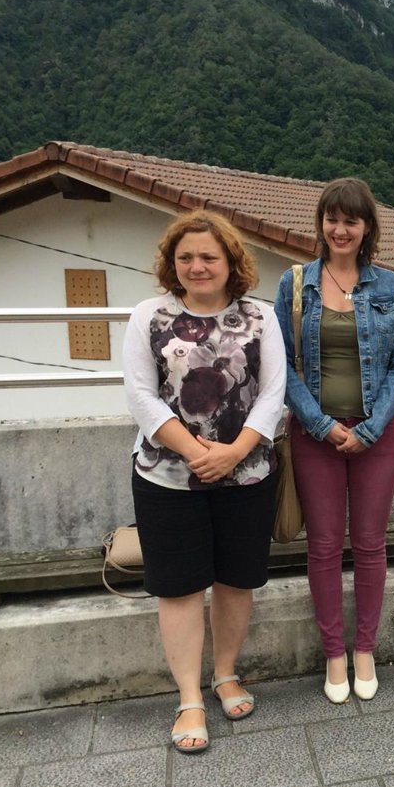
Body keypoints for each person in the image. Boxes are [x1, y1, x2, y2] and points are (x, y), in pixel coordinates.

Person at [124, 210, 286, 753]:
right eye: (186, 257)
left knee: (236, 581)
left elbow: (273, 392)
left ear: (231, 261)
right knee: (179, 587)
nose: (197, 266)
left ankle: (225, 673)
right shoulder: (149, 316)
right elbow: (141, 395)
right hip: (168, 475)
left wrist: (234, 452)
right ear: (171, 263)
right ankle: (190, 697)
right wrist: (197, 453)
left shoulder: (261, 317)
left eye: (209, 257)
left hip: (247, 473)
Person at [274, 178, 394, 705]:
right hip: (317, 434)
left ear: (367, 227)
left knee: (371, 544)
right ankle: (335, 652)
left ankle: (365, 648)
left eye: (351, 220)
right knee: (325, 546)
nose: (341, 229)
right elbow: (282, 365)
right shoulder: (295, 284)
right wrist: (320, 424)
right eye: (332, 219)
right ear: (321, 224)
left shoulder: (390, 286)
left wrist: (370, 428)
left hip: (380, 433)